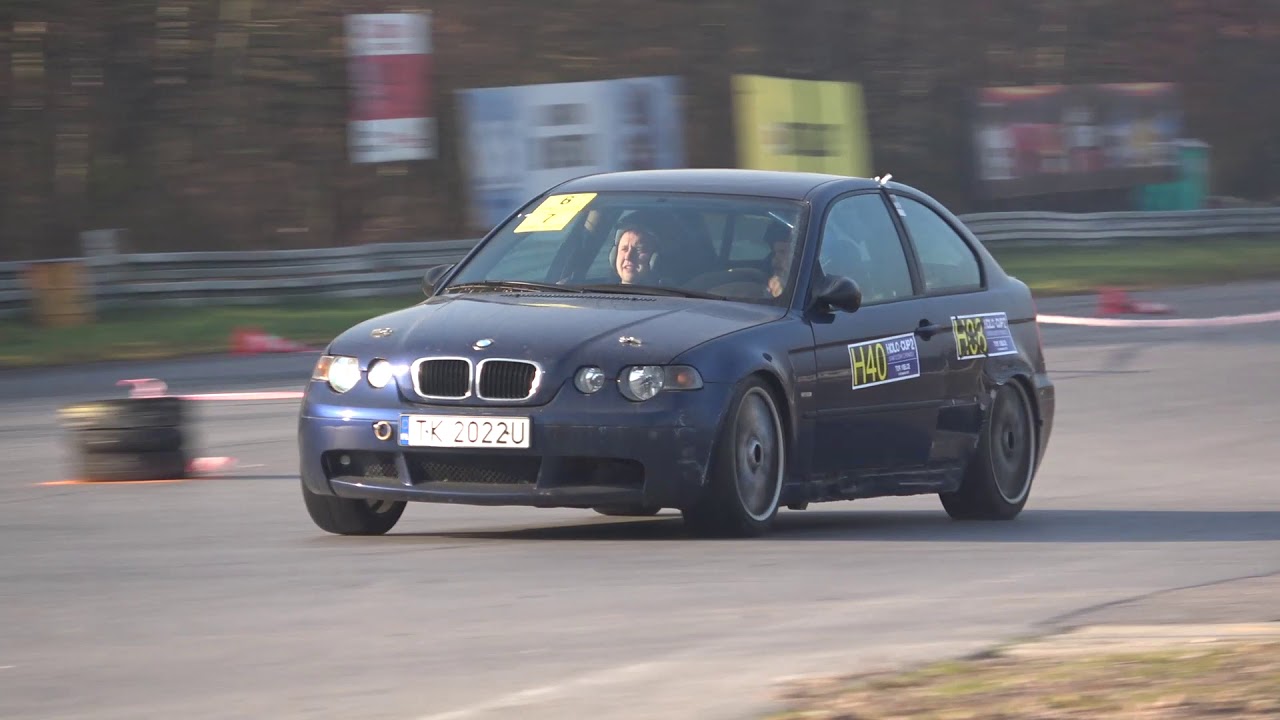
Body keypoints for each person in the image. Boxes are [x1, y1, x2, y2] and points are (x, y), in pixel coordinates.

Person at [612, 220, 662, 285]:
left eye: (639, 250)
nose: (628, 256)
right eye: (624, 249)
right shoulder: (602, 291)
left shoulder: (669, 294)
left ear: (653, 257)